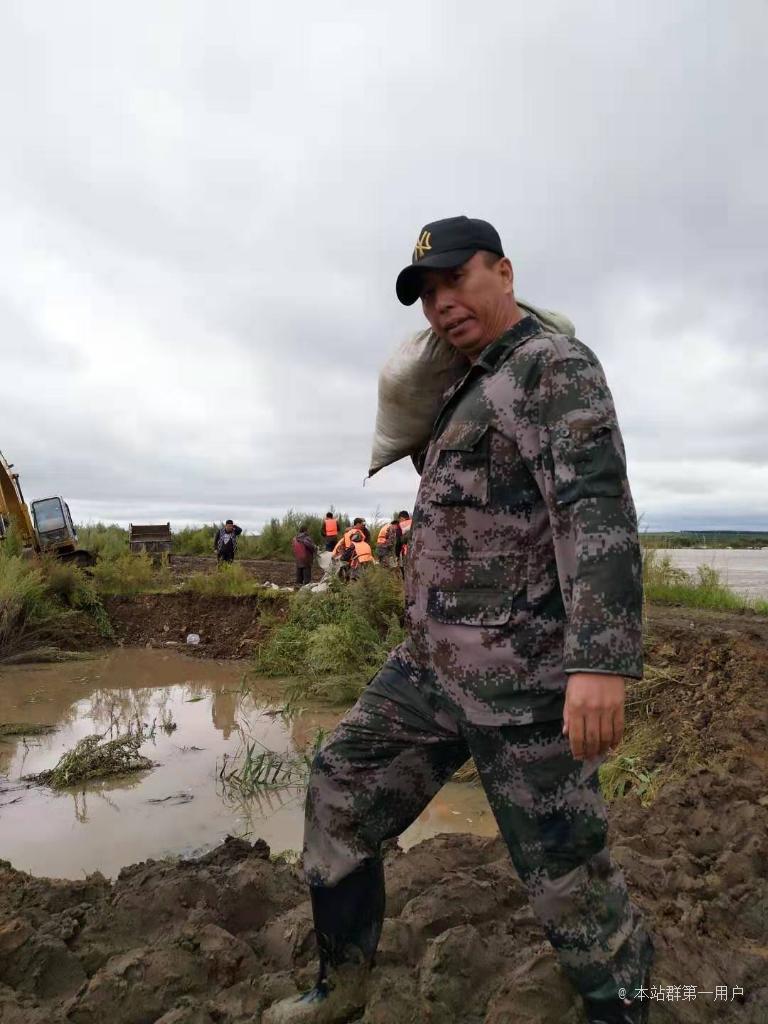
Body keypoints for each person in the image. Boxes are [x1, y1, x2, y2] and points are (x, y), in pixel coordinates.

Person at [264, 216, 652, 1024]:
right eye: (427, 294)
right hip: (430, 673)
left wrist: (600, 662)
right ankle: (342, 985)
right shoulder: (464, 392)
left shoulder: (553, 368)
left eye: (456, 281)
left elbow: (595, 512)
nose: (441, 304)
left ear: (504, 273)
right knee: (341, 782)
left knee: (567, 878)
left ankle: (628, 1004)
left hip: (524, 682)